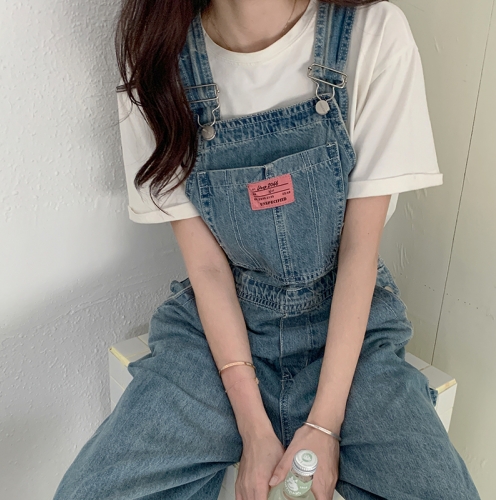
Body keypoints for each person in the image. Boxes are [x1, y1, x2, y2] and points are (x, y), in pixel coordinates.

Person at [53, 0, 481, 499]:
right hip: (217, 331)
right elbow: (207, 268)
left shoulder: (373, 33)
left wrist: (323, 425)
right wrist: (253, 427)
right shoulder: (156, 56)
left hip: (349, 331)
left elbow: (358, 254)